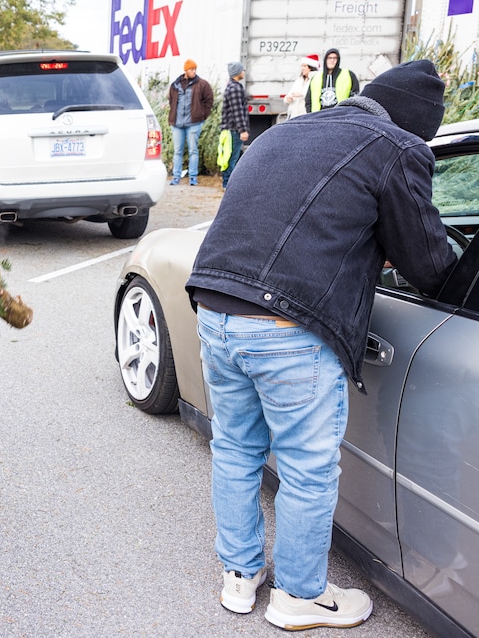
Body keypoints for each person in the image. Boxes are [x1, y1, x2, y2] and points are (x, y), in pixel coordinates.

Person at [185, 60, 457, 630]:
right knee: (308, 471)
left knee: (235, 449)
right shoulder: (396, 146)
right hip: (288, 327)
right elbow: (431, 265)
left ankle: (240, 576)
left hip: (214, 305)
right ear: (418, 124)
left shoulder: (288, 130)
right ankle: (300, 597)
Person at [167, 59, 214, 185]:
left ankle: (193, 177)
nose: (194, 71)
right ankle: (176, 176)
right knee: (178, 151)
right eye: (191, 69)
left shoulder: (202, 84)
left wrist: (202, 116)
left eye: (195, 69)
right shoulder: (175, 85)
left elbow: (209, 100)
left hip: (193, 123)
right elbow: (171, 100)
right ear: (186, 70)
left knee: (193, 150)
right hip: (177, 124)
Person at [218, 61, 250, 188]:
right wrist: (242, 130)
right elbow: (237, 111)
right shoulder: (235, 89)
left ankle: (226, 183)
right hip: (233, 131)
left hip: (230, 129)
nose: (243, 72)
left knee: (228, 157)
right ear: (237, 72)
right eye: (242, 70)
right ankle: (228, 185)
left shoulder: (231, 86)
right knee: (232, 158)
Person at [305, 48, 359, 113]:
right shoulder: (316, 77)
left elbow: (355, 96)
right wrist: (311, 115)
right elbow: (308, 100)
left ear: (338, 60)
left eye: (335, 58)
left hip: (340, 115)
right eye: (329, 58)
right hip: (319, 117)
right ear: (325, 60)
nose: (332, 60)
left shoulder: (348, 74)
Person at [284, 54, 318, 120]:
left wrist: (302, 94)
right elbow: (290, 94)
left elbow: (315, 94)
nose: (302, 68)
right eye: (302, 66)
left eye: (305, 66)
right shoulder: (299, 80)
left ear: (311, 67)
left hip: (306, 114)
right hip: (294, 115)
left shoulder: (315, 79)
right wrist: (288, 99)